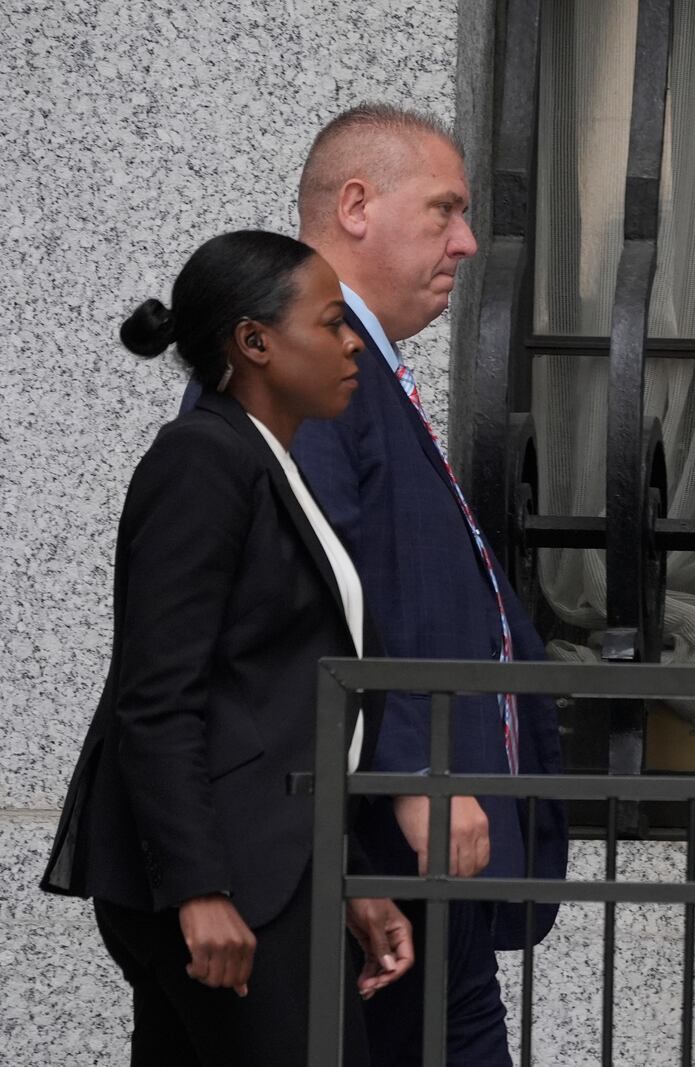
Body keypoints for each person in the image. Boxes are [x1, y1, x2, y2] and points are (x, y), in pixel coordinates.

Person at [41, 230, 414, 1066]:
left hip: (269, 865)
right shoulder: (203, 458)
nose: (354, 342)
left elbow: (270, 703)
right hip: (227, 881)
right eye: (330, 323)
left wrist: (346, 872)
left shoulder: (263, 459)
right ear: (254, 342)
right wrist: (198, 889)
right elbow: (156, 693)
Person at [277, 103, 566, 1066]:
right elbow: (321, 595)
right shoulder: (309, 365)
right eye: (444, 210)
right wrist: (412, 773)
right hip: (385, 837)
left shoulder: (355, 362)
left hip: (422, 841)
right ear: (356, 206)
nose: (467, 241)